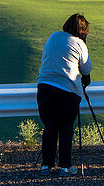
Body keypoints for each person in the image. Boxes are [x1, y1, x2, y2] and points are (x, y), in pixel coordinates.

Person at [36, 14, 93, 177]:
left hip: (45, 86)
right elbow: (86, 69)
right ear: (83, 30)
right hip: (67, 90)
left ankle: (46, 165)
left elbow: (46, 58)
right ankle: (65, 166)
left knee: (50, 127)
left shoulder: (54, 37)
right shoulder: (79, 43)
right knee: (66, 128)